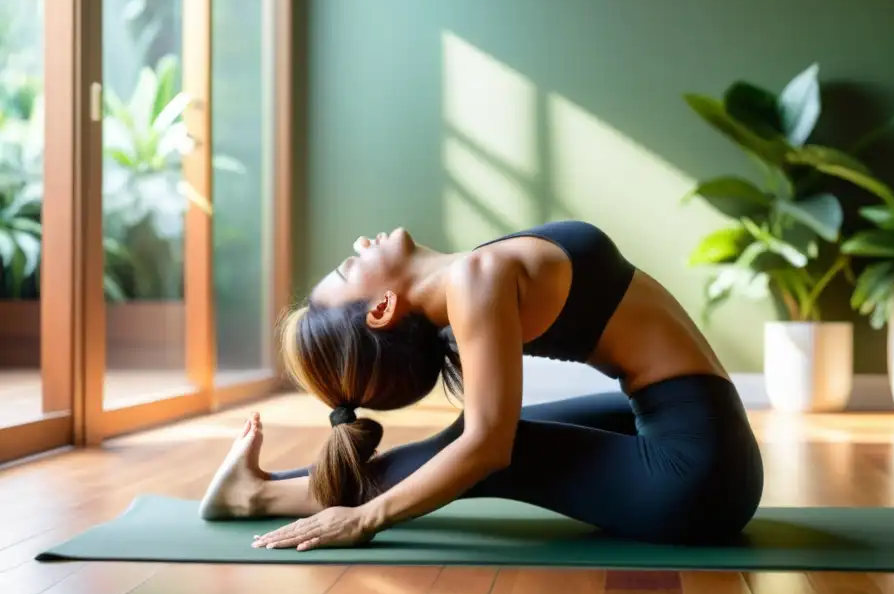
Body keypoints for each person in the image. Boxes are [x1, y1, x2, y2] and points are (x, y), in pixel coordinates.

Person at [199, 220, 764, 550]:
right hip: (704, 461)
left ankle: (261, 492)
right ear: (382, 308)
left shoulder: (473, 279)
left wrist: (372, 511)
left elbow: (486, 444)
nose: (359, 245)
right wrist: (367, 518)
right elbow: (489, 446)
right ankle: (263, 493)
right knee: (494, 441)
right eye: (351, 269)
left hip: (702, 474)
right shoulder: (475, 280)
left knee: (490, 440)